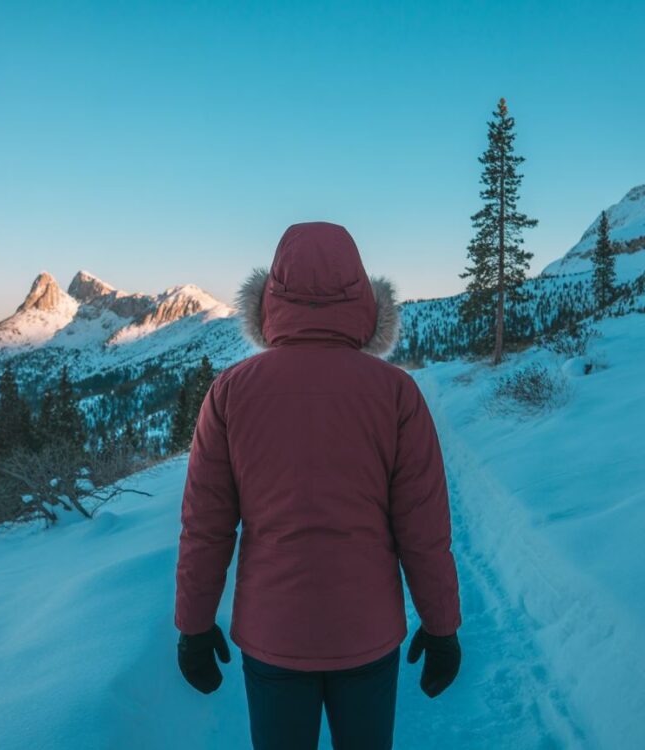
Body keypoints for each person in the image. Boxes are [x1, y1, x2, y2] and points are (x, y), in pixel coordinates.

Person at [174, 221, 462, 750]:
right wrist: (441, 626)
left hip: (273, 634)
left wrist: (193, 625)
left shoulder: (230, 392)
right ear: (366, 300)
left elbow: (206, 526)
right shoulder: (397, 393)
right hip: (367, 633)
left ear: (268, 300)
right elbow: (423, 529)